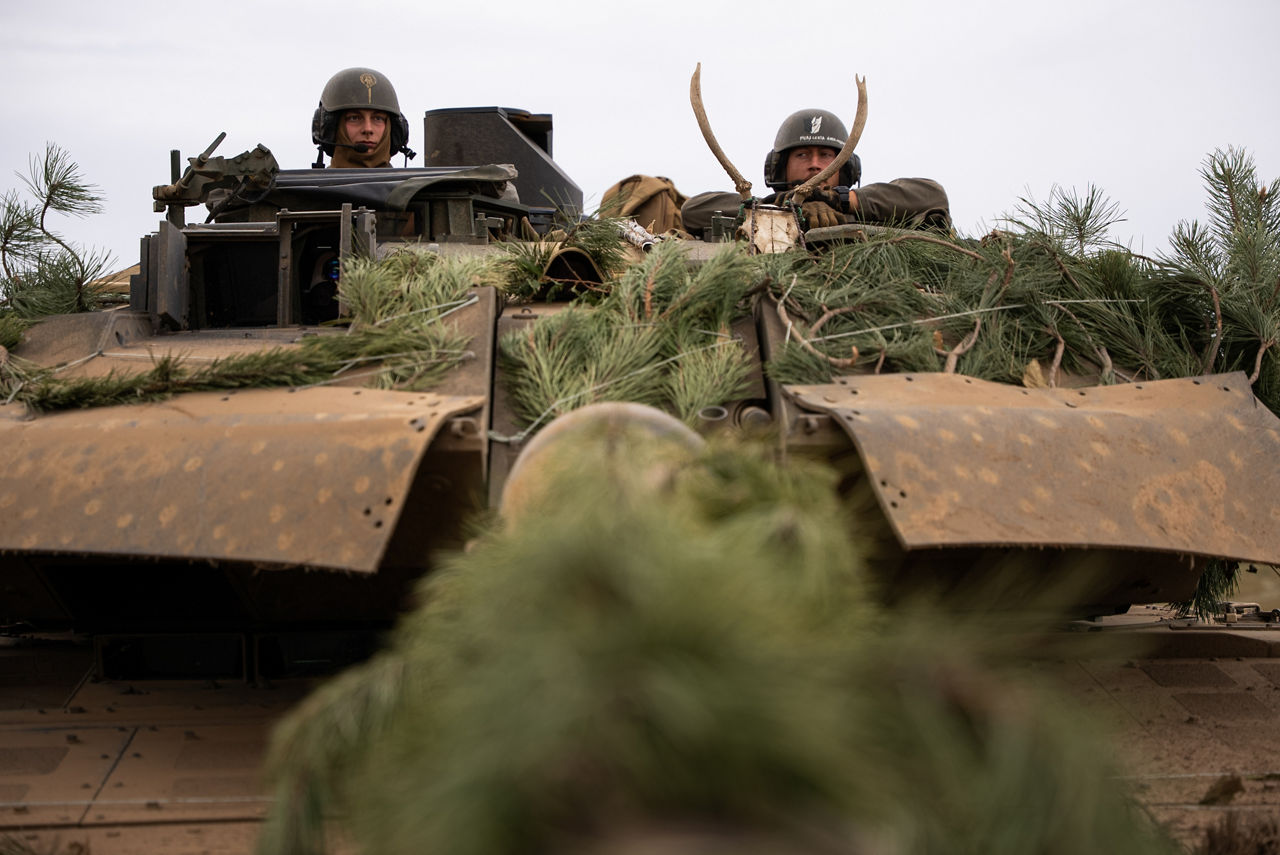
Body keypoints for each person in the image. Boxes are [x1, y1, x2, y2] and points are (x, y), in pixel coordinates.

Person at [681, 108, 950, 236]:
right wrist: (777, 208)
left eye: (826, 155)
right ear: (779, 167)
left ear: (846, 168)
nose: (815, 164)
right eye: (802, 155)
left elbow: (931, 195)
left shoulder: (871, 211)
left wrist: (844, 202)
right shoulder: (758, 216)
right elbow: (693, 210)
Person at [310, 67, 414, 168]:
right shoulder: (299, 185)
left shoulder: (418, 186)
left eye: (378, 118)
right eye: (354, 118)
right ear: (330, 126)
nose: (368, 129)